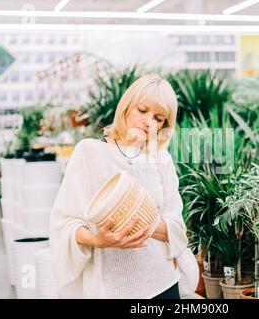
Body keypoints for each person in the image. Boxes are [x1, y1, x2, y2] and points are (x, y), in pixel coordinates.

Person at [49, 74, 190, 299]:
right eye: (142, 110)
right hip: (112, 289)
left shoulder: (160, 158)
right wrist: (97, 240)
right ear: (126, 107)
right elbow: (65, 223)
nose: (148, 121)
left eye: (159, 118)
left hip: (163, 284)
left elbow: (176, 228)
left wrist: (144, 217)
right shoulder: (90, 152)